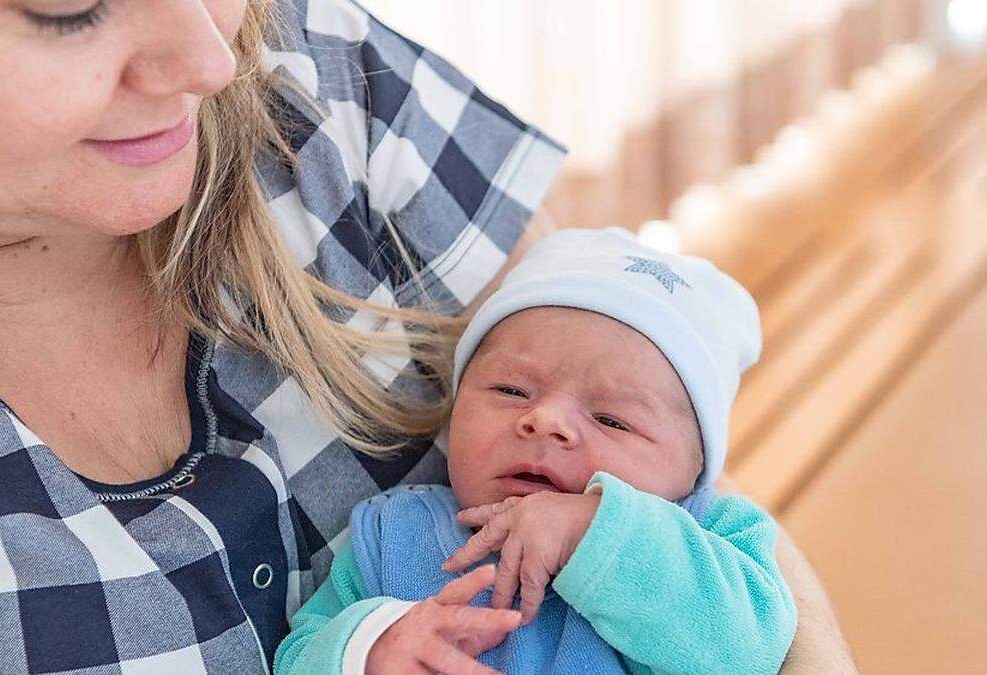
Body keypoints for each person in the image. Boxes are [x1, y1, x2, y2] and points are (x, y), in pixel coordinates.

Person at [0, 0, 854, 673]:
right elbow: (326, 639)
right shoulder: (397, 542)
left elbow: (660, 434)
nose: (212, 55)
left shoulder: (309, 68)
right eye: (66, 4)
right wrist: (372, 644)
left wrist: (610, 537)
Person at [275, 228, 797, 674]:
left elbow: (749, 649)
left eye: (612, 419)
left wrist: (598, 533)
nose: (544, 420)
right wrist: (368, 649)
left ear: (694, 472)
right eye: (511, 391)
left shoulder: (711, 539)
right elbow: (298, 653)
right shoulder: (394, 534)